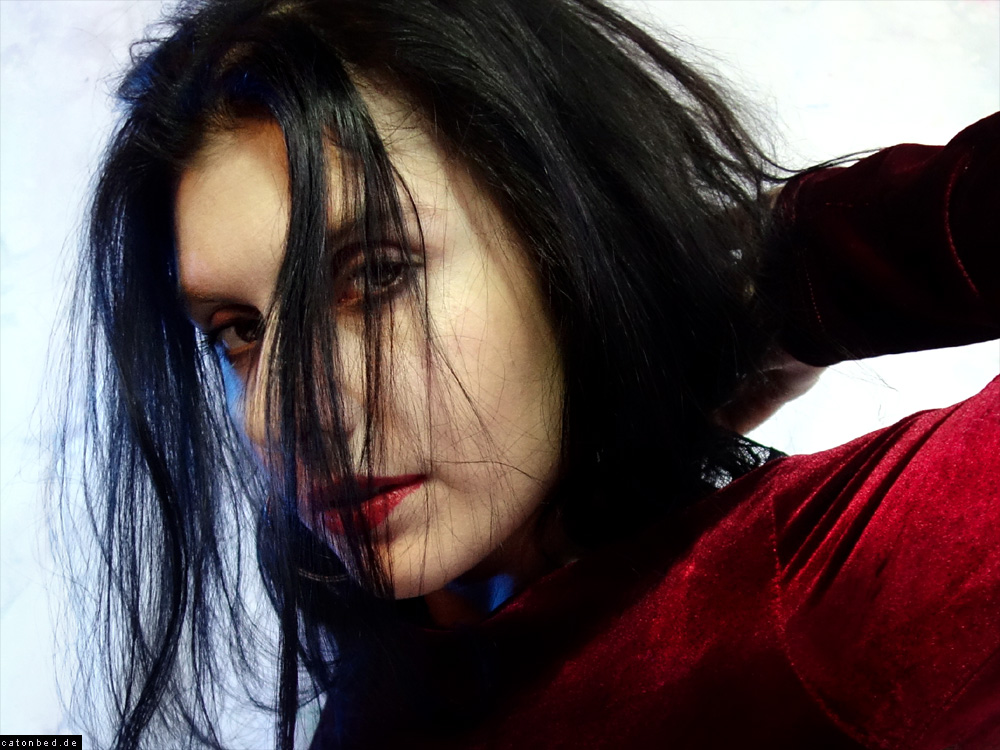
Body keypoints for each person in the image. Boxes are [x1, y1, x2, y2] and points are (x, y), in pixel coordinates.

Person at [58, 0, 999, 747]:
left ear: (564, 246)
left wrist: (778, 280)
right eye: (240, 330)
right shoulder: (419, 616)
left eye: (375, 275)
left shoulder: (823, 607)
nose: (284, 412)